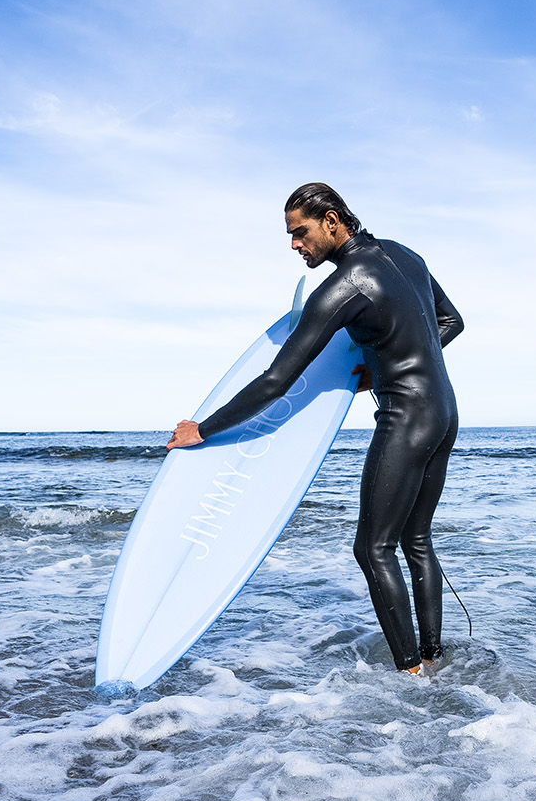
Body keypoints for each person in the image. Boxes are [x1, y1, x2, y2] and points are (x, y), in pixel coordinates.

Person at [168, 183, 463, 675]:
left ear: (331, 221)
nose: (293, 245)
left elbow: (277, 381)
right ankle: (434, 659)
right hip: (445, 411)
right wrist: (384, 366)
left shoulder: (344, 285)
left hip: (406, 416)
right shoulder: (405, 256)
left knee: (372, 548)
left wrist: (204, 428)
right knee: (416, 540)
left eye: (299, 233)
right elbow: (451, 322)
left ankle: (411, 673)